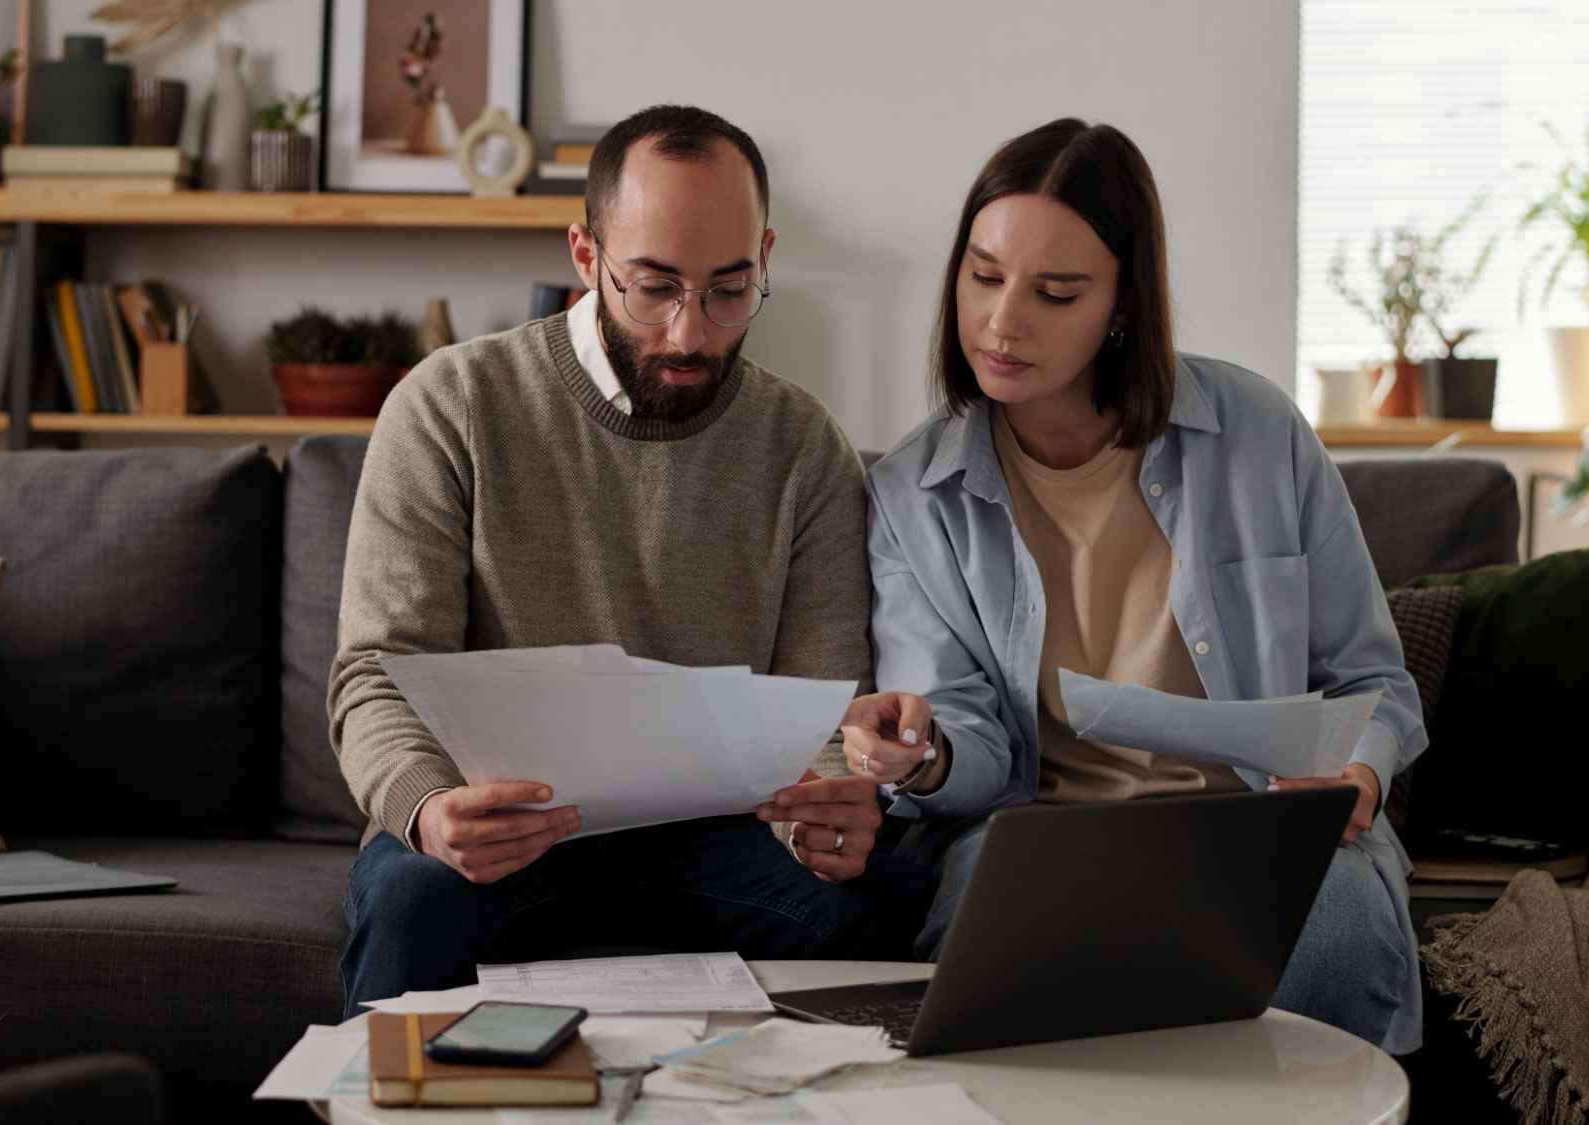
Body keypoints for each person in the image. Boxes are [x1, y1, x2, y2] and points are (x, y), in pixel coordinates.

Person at [836, 118, 1426, 1053]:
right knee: (996, 940)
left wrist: (1357, 769)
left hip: (1254, 829)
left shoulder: (1259, 433)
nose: (1002, 321)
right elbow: (970, 741)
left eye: (1055, 292)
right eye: (984, 276)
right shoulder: (913, 495)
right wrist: (924, 754)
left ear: (1120, 303)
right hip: (1037, 834)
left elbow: (1374, 681)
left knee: (1341, 926)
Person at [329, 105, 923, 1015]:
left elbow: (825, 706)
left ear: (765, 255)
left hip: (719, 837)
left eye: (730, 290)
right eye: (654, 287)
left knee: (878, 904)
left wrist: (831, 810)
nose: (690, 333)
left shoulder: (803, 446)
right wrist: (426, 810)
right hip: (497, 822)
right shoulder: (449, 405)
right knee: (414, 907)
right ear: (584, 254)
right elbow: (373, 672)